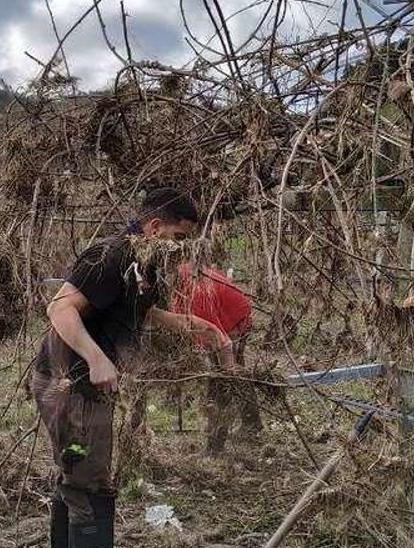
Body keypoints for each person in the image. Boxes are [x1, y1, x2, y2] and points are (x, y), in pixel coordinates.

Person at [30, 188, 230, 548]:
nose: (183, 247)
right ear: (154, 226)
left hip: (84, 387)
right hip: (70, 385)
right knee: (88, 483)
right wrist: (96, 359)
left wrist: (194, 324)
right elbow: (59, 308)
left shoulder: (144, 262)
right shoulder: (112, 254)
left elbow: (134, 309)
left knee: (76, 473)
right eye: (179, 237)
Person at [169, 261, 259, 455]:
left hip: (234, 318)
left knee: (223, 378)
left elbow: (218, 338)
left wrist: (224, 364)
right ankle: (252, 423)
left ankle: (217, 444)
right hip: (220, 313)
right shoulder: (176, 276)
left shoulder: (197, 295)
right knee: (226, 370)